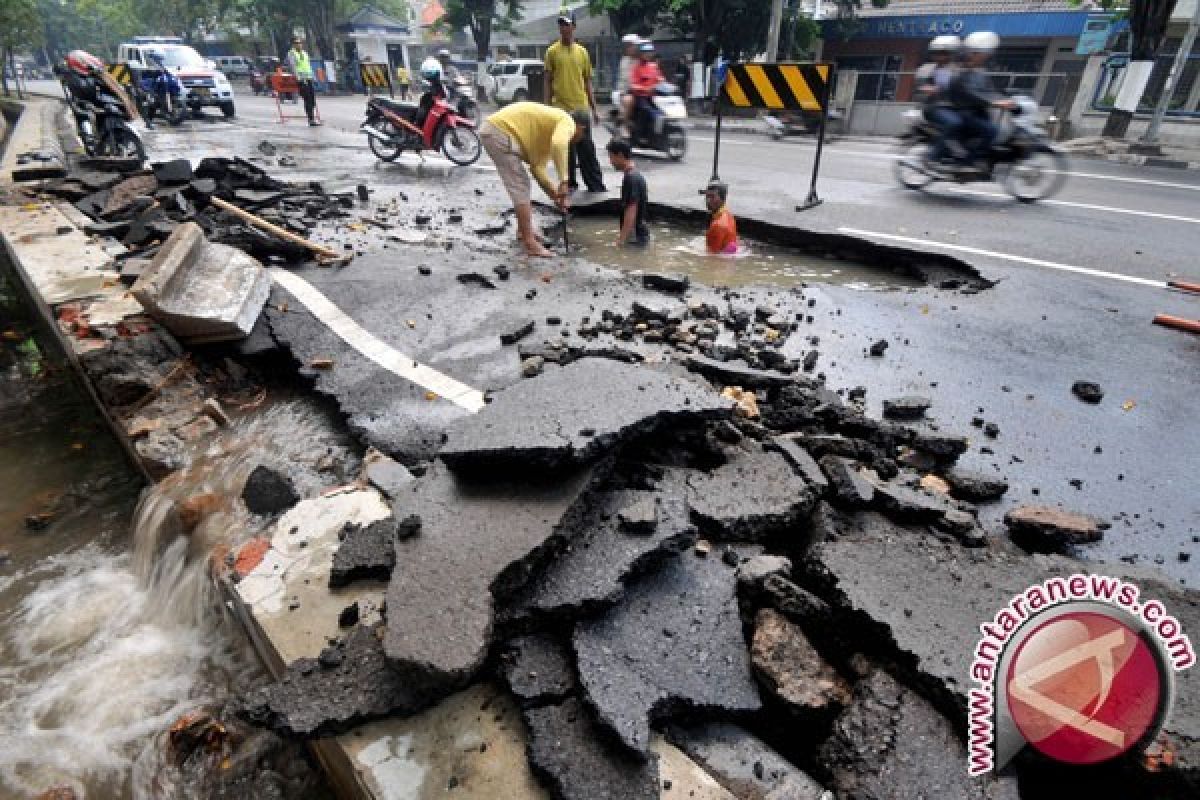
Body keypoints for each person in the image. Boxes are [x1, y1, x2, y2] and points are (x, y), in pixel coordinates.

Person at [479, 102, 588, 258]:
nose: (574, 140)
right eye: (580, 137)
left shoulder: (546, 134)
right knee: (520, 185)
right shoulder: (567, 120)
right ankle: (530, 243)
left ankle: (523, 232)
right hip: (499, 131)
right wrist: (564, 181)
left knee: (521, 184)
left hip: (496, 130)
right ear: (581, 128)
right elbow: (559, 144)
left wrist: (555, 195)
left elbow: (538, 169)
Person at [544, 14, 605, 193]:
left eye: (567, 25)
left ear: (574, 27)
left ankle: (595, 186)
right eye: (561, 25)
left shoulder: (582, 52)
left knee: (587, 149)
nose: (564, 28)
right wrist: (547, 108)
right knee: (566, 151)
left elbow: (587, 82)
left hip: (580, 108)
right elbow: (547, 81)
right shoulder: (552, 52)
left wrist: (595, 109)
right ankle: (569, 185)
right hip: (561, 109)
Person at [947, 31, 1014, 173]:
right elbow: (971, 93)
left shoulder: (979, 72)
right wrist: (995, 103)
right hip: (963, 110)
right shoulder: (961, 70)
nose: (985, 56)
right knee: (991, 130)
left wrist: (1006, 98)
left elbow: (989, 90)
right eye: (982, 53)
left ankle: (982, 157)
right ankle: (969, 161)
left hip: (977, 109)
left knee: (993, 127)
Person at [915, 34, 963, 165]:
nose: (940, 56)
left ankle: (956, 152)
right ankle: (933, 156)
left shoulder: (956, 70)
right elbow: (920, 88)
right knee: (954, 123)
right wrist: (929, 89)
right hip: (933, 107)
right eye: (937, 53)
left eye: (944, 53)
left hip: (952, 107)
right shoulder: (927, 70)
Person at [606, 139, 649, 247]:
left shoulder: (631, 178)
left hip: (635, 237)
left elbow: (631, 209)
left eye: (611, 157)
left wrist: (621, 240)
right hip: (639, 233)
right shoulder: (634, 175)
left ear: (620, 155)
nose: (610, 162)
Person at [629, 42, 666, 138]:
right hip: (641, 97)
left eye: (650, 52)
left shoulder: (653, 67)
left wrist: (664, 84)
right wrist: (644, 88)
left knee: (662, 112)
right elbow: (633, 85)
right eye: (646, 52)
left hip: (654, 97)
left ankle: (657, 134)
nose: (648, 54)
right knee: (646, 111)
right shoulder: (636, 68)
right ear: (641, 54)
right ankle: (641, 135)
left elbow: (661, 79)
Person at [287, 37, 321, 126]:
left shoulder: (305, 53)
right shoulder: (292, 54)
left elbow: (308, 66)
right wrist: (298, 78)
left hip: (309, 78)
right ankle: (311, 120)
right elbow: (293, 66)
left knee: (312, 100)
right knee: (308, 99)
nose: (299, 44)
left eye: (300, 43)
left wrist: (314, 78)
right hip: (301, 80)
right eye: (296, 43)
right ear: (293, 45)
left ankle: (312, 118)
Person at [614, 33, 640, 132]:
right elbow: (625, 80)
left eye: (632, 45)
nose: (630, 48)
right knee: (629, 101)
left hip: (641, 91)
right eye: (628, 46)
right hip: (626, 92)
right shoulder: (624, 61)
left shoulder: (641, 60)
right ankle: (624, 126)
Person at [704, 181, 738, 255]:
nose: (708, 200)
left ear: (722, 199)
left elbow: (711, 257)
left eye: (712, 196)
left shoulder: (718, 225)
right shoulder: (729, 215)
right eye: (707, 196)